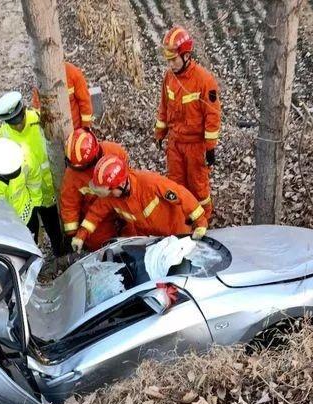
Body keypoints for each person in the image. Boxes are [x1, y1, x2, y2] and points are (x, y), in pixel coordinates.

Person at [71, 154, 208, 253]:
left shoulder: (150, 183)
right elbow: (95, 213)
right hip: (150, 239)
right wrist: (81, 235)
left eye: (110, 190)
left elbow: (182, 195)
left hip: (176, 233)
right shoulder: (111, 195)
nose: (108, 195)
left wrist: (200, 222)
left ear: (122, 184)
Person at [154, 26, 221, 219]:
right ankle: (180, 220)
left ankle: (203, 220)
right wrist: (160, 133)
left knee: (198, 187)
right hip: (175, 143)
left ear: (186, 55)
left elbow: (212, 115)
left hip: (195, 146)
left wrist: (210, 148)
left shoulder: (204, 80)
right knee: (175, 185)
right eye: (168, 60)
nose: (171, 64)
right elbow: (164, 106)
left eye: (173, 59)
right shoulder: (169, 77)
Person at [0, 90, 63, 255]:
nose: (18, 125)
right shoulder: (4, 133)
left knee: (54, 228)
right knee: (30, 231)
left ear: (23, 110)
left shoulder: (39, 120)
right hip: (26, 194)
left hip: (48, 188)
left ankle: (60, 254)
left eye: (19, 119)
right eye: (13, 123)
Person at [60, 127, 128, 251]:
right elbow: (69, 204)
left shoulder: (114, 152)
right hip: (95, 212)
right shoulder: (72, 176)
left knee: (134, 231)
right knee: (99, 244)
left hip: (119, 199)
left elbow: (127, 178)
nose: (79, 170)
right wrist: (72, 234)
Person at [32, 61, 94, 129]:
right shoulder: (41, 79)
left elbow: (85, 102)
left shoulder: (72, 72)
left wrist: (85, 129)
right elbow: (37, 107)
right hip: (53, 132)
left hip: (74, 129)